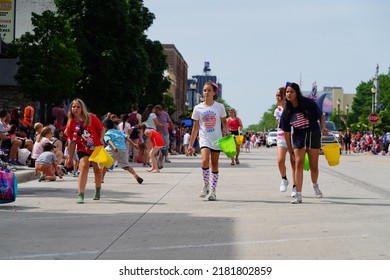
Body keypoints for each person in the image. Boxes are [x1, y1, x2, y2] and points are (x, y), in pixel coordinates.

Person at [280, 82, 329, 204]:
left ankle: (315, 184)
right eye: (287, 92)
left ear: (297, 93)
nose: (289, 94)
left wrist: (323, 127)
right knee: (299, 163)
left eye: (291, 91)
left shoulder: (308, 103)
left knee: (313, 166)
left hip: (313, 133)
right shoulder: (286, 111)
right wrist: (290, 149)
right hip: (298, 135)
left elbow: (321, 116)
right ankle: (298, 194)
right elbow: (286, 132)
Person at [187, 81, 230, 201]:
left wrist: (227, 131)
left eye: (209, 90)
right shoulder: (197, 108)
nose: (207, 93)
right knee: (205, 160)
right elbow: (195, 127)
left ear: (214, 93)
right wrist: (190, 145)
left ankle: (213, 190)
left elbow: (224, 122)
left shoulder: (219, 107)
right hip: (204, 137)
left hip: (216, 139)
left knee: (215, 164)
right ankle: (206, 184)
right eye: (205, 90)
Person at [64, 98, 105, 204]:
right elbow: (72, 142)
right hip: (82, 148)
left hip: (96, 147)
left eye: (78, 106)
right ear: (70, 108)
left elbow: (101, 129)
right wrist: (70, 157)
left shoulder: (91, 118)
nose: (75, 109)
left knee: (97, 169)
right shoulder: (71, 123)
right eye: (73, 107)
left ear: (82, 108)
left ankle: (98, 190)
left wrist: (101, 139)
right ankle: (81, 194)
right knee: (84, 166)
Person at [102, 119, 143, 184]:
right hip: (123, 149)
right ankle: (135, 174)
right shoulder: (119, 132)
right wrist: (134, 144)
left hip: (113, 150)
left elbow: (109, 141)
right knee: (126, 165)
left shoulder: (107, 133)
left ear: (105, 127)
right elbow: (127, 138)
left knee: (105, 165)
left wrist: (114, 147)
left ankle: (101, 179)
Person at [274, 86, 297, 197]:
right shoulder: (277, 110)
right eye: (276, 95)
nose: (278, 97)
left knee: (293, 163)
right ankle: (284, 178)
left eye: (280, 95)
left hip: (293, 136)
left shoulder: (291, 108)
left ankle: (295, 186)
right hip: (281, 137)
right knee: (280, 160)